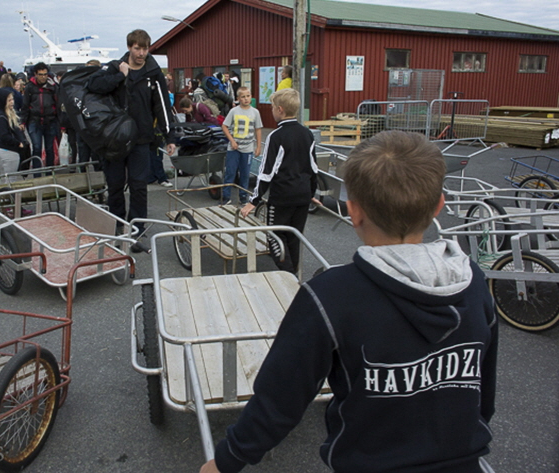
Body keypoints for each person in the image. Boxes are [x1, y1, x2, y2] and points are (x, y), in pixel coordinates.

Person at [201, 130, 498, 473]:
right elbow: (482, 388)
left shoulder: (332, 296)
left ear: (353, 212)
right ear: (438, 206)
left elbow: (280, 399)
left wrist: (227, 460)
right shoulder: (474, 282)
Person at [85, 29, 175, 253]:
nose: (141, 53)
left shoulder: (153, 73)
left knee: (138, 186)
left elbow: (162, 106)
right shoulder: (115, 66)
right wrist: (121, 75)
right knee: (115, 185)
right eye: (137, 48)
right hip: (114, 139)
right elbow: (93, 87)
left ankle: (137, 230)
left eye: (145, 48)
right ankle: (117, 226)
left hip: (141, 139)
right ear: (129, 47)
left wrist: (169, 136)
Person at [240, 88, 316, 274]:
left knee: (274, 236)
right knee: (293, 237)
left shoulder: (276, 136)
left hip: (282, 196)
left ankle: (288, 275)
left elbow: (266, 172)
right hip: (303, 195)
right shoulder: (307, 134)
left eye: (273, 107)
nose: (272, 110)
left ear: (280, 110)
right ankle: (294, 275)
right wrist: (311, 193)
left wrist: (253, 201)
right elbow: (314, 168)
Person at [221, 86, 262, 205]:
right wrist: (232, 141)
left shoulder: (255, 112)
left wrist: (258, 146)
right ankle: (226, 197)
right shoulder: (234, 111)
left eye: (248, 96)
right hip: (233, 149)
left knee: (245, 174)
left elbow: (258, 129)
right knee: (230, 172)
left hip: (248, 149)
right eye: (243, 97)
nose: (246, 99)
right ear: (238, 98)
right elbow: (224, 126)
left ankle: (243, 197)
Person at [21, 62, 58, 171]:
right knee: (36, 148)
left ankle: (50, 172)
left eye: (45, 74)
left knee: (50, 149)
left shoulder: (53, 87)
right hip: (34, 121)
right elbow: (25, 105)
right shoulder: (29, 87)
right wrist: (22, 122)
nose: (43, 77)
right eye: (41, 74)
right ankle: (37, 172)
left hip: (50, 120)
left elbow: (58, 104)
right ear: (35, 74)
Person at [0, 89, 25, 175]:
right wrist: (18, 143)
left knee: (12, 176)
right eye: (9, 100)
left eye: (12, 99)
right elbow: (4, 135)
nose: (12, 102)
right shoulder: (1, 116)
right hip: (8, 149)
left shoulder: (9, 113)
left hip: (12, 150)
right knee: (10, 177)